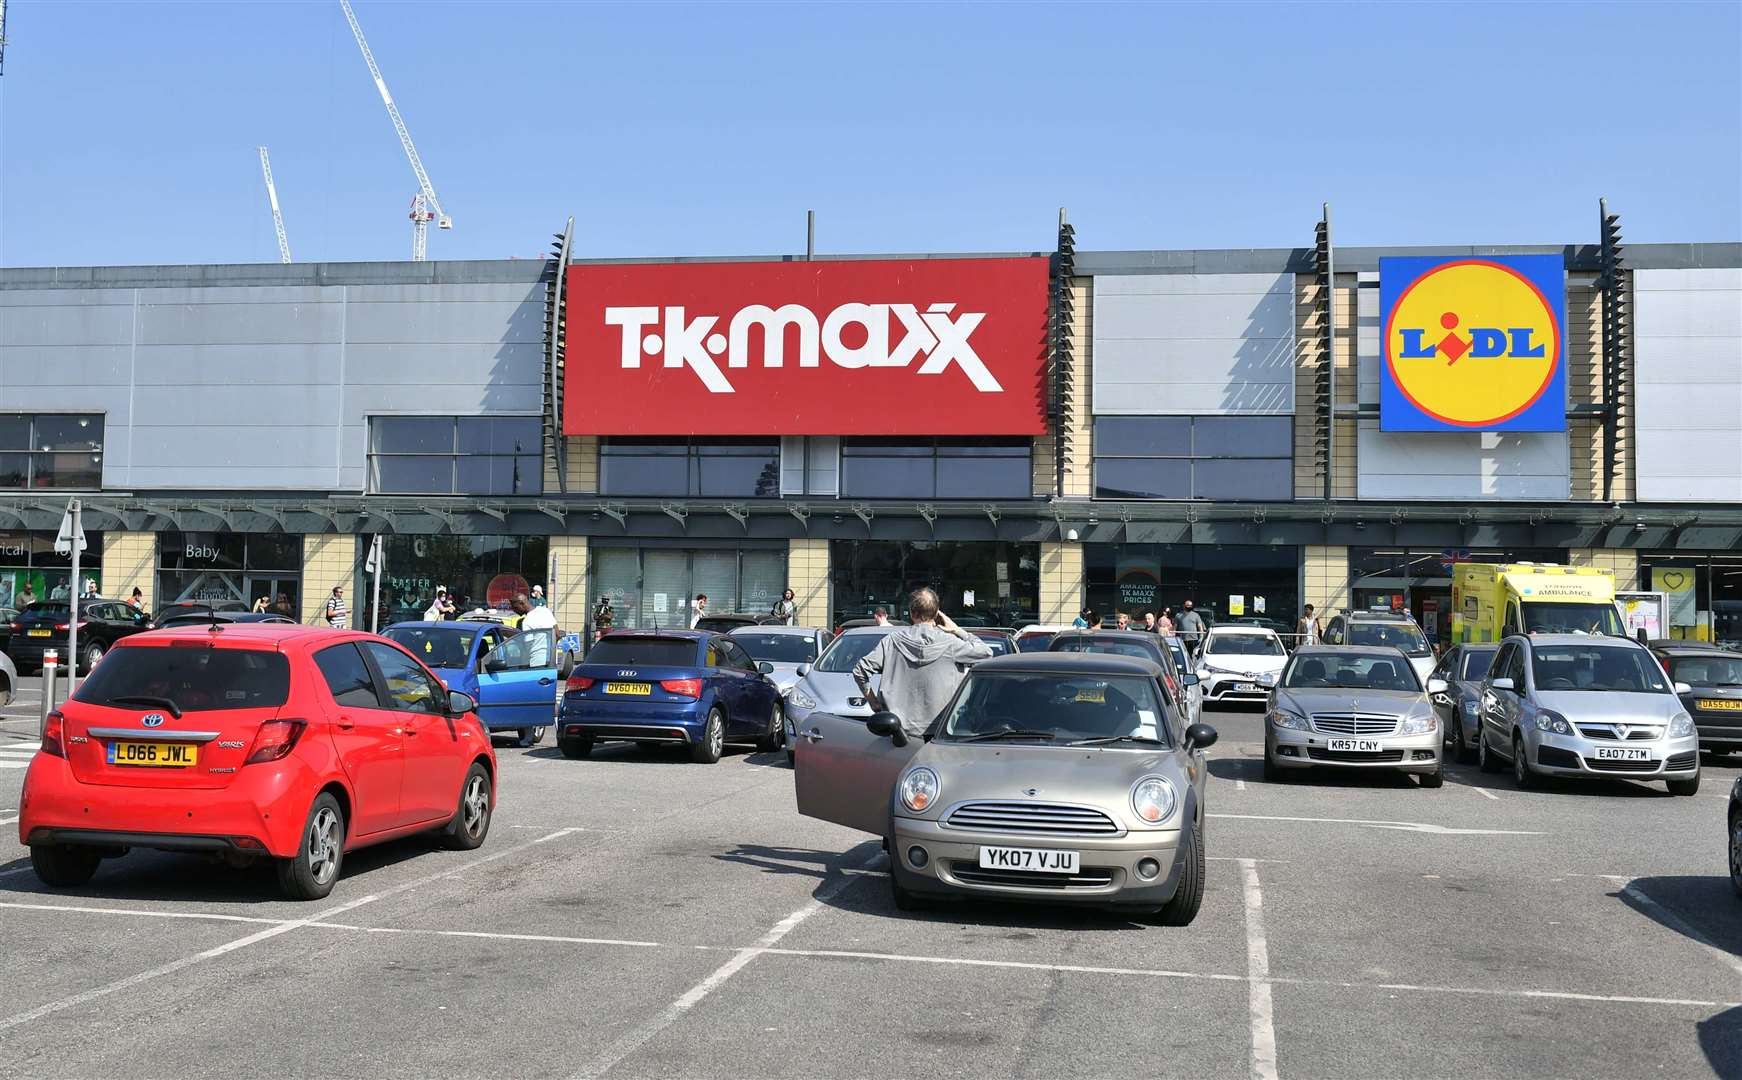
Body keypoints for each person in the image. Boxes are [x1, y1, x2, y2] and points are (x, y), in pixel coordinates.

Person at [851, 588, 992, 737]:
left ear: (912, 613)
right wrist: (957, 630)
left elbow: (860, 671)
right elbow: (986, 652)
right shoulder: (951, 643)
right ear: (937, 613)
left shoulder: (891, 641)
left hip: (898, 731)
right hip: (940, 732)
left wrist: (874, 703)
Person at [513, 592, 559, 666]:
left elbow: (527, 647)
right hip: (551, 662)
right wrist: (550, 653)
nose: (514, 610)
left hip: (536, 663)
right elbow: (557, 634)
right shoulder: (546, 611)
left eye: (515, 607)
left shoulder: (526, 621)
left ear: (522, 603)